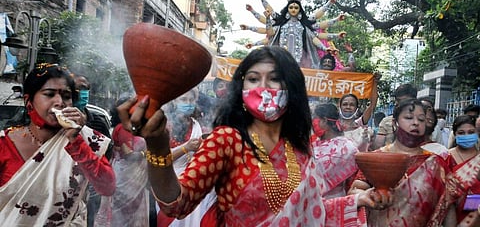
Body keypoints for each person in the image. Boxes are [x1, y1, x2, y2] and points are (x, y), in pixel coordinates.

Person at [118, 46, 391, 226]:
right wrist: (157, 145)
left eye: (275, 78)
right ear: (240, 87)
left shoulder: (299, 148)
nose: (263, 87)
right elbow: (175, 204)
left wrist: (356, 201)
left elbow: (310, 212)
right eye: (252, 79)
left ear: (292, 88)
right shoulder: (227, 140)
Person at [0, 63, 115, 225]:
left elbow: (107, 187)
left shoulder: (84, 140)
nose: (59, 102)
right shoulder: (4, 144)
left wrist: (77, 142)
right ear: (29, 101)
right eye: (49, 94)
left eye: (66, 96)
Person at [350, 98, 480, 226]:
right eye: (408, 118)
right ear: (395, 123)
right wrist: (370, 196)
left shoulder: (436, 163)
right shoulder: (378, 159)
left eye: (421, 119)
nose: (416, 123)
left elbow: (447, 205)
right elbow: (355, 191)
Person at [157, 88, 216, 227]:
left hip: (194, 183)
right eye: (183, 100)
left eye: (191, 100)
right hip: (170, 183)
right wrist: (186, 148)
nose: (188, 103)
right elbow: (158, 160)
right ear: (174, 102)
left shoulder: (198, 126)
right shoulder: (165, 126)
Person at [95, 98, 151, 226]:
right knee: (125, 216)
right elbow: (129, 155)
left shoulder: (128, 127)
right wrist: (146, 153)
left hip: (128, 175)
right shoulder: (124, 129)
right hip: (127, 176)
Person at [73, 74, 113, 227]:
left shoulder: (98, 120)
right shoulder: (57, 120)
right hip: (67, 182)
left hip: (92, 182)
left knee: (89, 218)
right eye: (78, 89)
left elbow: (107, 150)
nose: (83, 93)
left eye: (85, 89)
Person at [311, 103, 358, 199]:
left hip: (335, 200)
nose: (312, 123)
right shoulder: (314, 144)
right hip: (310, 200)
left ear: (324, 121)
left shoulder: (347, 148)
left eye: (315, 119)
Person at [445, 115, 480, 226]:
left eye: (471, 132)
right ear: (455, 134)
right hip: (451, 213)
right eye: (461, 133)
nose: (467, 136)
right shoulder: (446, 157)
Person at [338, 73, 380, 152]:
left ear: (356, 108)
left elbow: (373, 104)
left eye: (352, 105)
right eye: (345, 104)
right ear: (340, 107)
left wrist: (374, 82)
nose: (348, 107)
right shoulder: (333, 126)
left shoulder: (360, 124)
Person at [373, 83, 417, 149]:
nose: (398, 103)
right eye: (397, 100)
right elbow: (378, 146)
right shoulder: (386, 121)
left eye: (403, 100)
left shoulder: (420, 122)